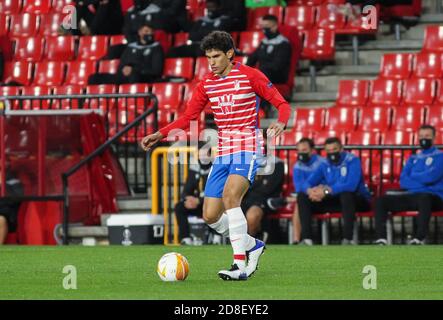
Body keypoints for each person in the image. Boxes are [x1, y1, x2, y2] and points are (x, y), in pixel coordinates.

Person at [140, 31, 291, 280]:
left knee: (231, 197)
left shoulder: (251, 75)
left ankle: (239, 265)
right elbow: (188, 118)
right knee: (210, 215)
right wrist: (160, 134)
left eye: (216, 56)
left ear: (230, 54)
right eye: (208, 57)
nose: (211, 62)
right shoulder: (207, 84)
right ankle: (252, 246)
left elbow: (282, 104)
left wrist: (281, 122)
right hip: (223, 152)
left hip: (247, 147)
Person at [374, 125, 443, 245]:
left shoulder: (441, 156)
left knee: (424, 198)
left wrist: (414, 176)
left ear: (434, 138)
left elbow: (432, 177)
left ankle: (419, 238)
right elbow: (403, 181)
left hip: (434, 197)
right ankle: (381, 239)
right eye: (421, 136)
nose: (423, 138)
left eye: (427, 136)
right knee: (381, 201)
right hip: (413, 195)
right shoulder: (413, 158)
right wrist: (421, 182)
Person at [298, 137, 371, 245]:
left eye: (334, 149)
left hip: (357, 200)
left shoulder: (352, 161)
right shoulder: (324, 164)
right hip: (335, 200)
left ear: (341, 149)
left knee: (346, 195)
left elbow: (351, 186)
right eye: (329, 151)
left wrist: (326, 191)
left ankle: (348, 239)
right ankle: (306, 239)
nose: (332, 153)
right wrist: (310, 191)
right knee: (302, 196)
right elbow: (307, 183)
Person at [88, 23, 164, 85]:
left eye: (151, 32)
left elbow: (156, 71)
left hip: (143, 77)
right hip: (125, 76)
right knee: (94, 78)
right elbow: (121, 65)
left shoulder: (156, 48)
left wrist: (135, 70)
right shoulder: (130, 47)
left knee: (133, 76)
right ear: (140, 32)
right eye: (146, 31)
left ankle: (132, 101)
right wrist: (124, 70)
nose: (149, 34)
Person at [175, 143, 212, 245]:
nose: (203, 157)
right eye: (201, 155)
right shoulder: (194, 168)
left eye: (205, 155)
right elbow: (186, 190)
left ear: (210, 155)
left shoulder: (215, 168)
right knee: (179, 207)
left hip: (210, 204)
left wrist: (199, 200)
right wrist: (187, 199)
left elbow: (217, 192)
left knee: (215, 207)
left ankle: (215, 237)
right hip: (197, 205)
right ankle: (185, 238)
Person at [167, 0, 234, 58]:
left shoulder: (224, 21)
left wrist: (202, 33)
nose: (210, 10)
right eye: (208, 8)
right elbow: (192, 36)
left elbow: (216, 36)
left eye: (212, 8)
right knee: (173, 51)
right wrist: (208, 32)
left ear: (218, 7)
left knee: (201, 50)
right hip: (196, 45)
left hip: (211, 48)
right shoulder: (201, 21)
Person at [241, 156, 284, 238]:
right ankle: (219, 239)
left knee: (252, 216)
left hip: (266, 200)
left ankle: (251, 241)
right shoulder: (246, 161)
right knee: (225, 210)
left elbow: (268, 188)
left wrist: (251, 186)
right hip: (246, 198)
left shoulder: (277, 163)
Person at [246, 15, 292, 85]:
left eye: (266, 26)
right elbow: (253, 57)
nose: (264, 29)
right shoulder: (264, 42)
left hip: (278, 75)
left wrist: (259, 71)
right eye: (263, 26)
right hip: (263, 73)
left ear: (275, 27)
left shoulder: (283, 43)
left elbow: (278, 65)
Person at [0, 161, 24, 244]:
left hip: (7, 216)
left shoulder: (14, 182)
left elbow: (17, 198)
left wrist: (3, 184)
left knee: (1, 220)